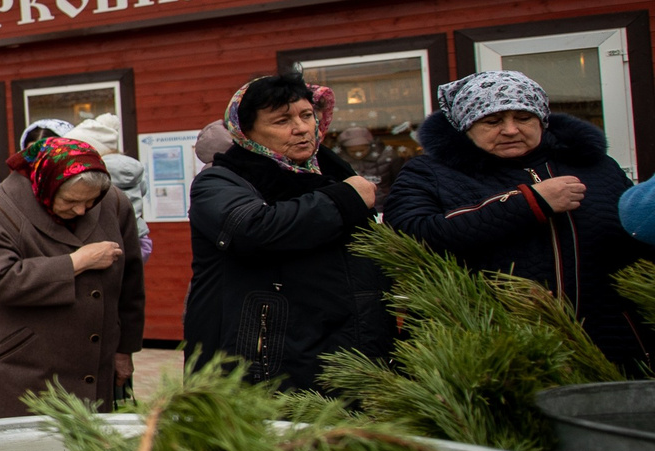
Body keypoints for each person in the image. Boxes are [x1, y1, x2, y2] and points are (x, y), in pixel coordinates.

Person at [385, 71, 652, 372]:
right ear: (465, 125)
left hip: (608, 345)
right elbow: (411, 235)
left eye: (523, 118)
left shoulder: (595, 166)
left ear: (541, 120)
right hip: (488, 352)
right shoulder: (429, 173)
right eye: (492, 121)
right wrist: (529, 203)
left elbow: (636, 240)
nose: (510, 130)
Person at [182, 73, 394, 390]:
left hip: (344, 354)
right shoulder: (221, 181)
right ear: (246, 132)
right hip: (265, 363)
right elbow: (252, 230)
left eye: (307, 115)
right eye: (282, 120)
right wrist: (345, 200)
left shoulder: (333, 172)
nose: (302, 128)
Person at [0, 137, 145, 419]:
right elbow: (0, 280)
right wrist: (76, 262)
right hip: (21, 367)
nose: (81, 211)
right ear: (47, 185)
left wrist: (125, 350)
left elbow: (131, 283)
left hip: (92, 364)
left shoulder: (113, 202)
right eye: (72, 201)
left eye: (90, 201)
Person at [73, 113, 154, 260]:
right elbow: (143, 190)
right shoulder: (133, 167)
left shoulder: (96, 173)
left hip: (111, 238)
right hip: (139, 235)